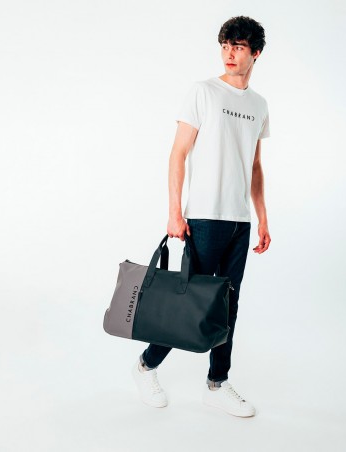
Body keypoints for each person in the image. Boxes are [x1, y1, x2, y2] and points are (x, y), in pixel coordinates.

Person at [132, 16, 271, 417]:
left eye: (238, 47)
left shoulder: (259, 105)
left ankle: (217, 383)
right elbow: (178, 153)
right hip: (205, 217)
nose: (230, 53)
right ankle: (146, 366)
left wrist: (262, 217)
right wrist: (174, 213)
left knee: (228, 306)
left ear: (255, 53)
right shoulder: (203, 92)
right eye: (225, 45)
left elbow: (255, 167)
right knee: (189, 303)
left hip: (239, 221)